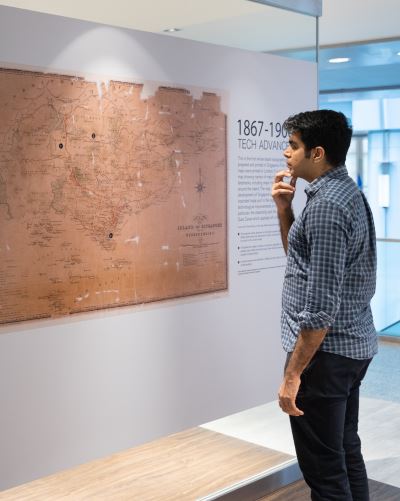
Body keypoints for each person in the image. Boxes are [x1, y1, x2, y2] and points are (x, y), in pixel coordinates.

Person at [271, 110, 377, 501]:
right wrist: (285, 211)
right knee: (345, 453)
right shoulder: (343, 194)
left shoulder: (328, 207)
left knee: (324, 472)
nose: (286, 154)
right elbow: (303, 263)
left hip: (326, 356)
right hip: (347, 350)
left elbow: (319, 310)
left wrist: (293, 374)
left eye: (293, 146)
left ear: (317, 153)